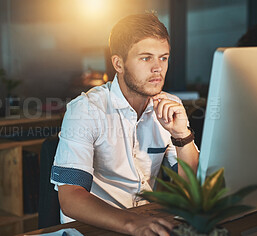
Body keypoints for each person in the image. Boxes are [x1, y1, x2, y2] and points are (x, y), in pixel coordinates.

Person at [50, 13, 199, 236]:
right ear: (118, 63)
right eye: (146, 58)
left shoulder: (171, 105)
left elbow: (191, 184)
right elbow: (70, 197)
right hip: (95, 228)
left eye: (163, 58)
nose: (158, 68)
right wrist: (132, 223)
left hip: (148, 222)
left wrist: (182, 136)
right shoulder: (86, 109)